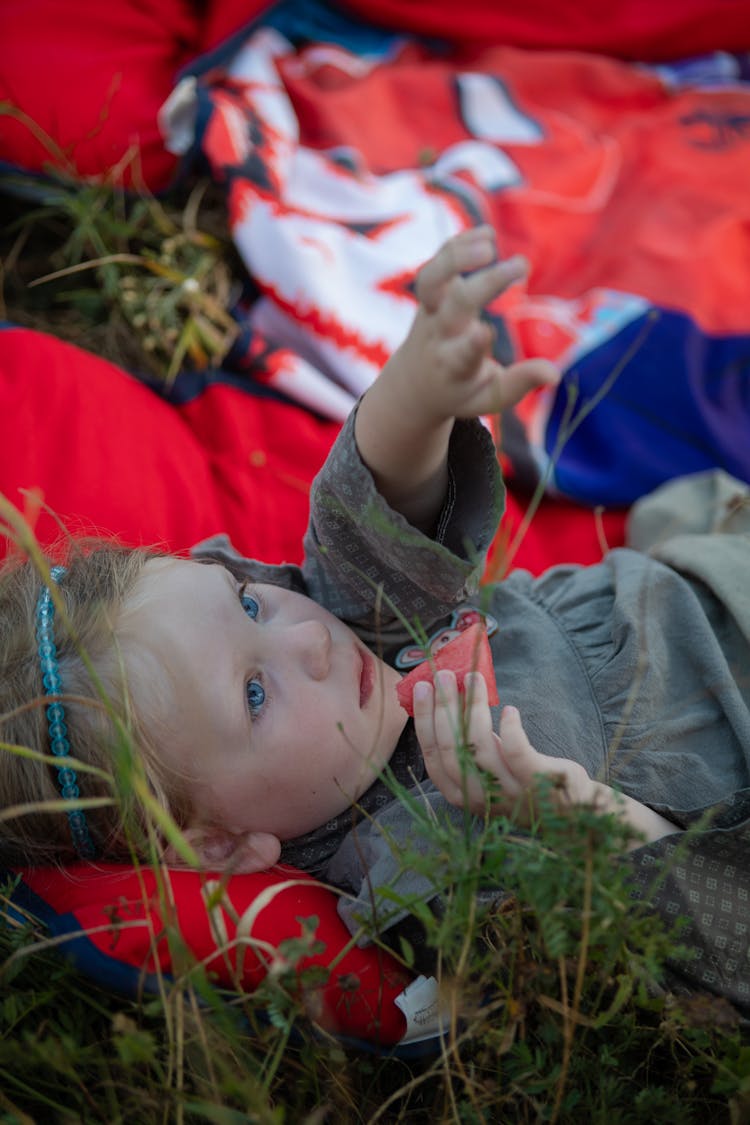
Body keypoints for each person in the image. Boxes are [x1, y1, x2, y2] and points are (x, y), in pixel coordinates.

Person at [1, 227, 749, 1015]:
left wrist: (420, 386)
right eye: (255, 693)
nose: (308, 639)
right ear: (217, 844)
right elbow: (711, 951)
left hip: (694, 574)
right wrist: (577, 821)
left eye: (249, 603)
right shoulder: (419, 872)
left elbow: (363, 517)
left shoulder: (355, 630)